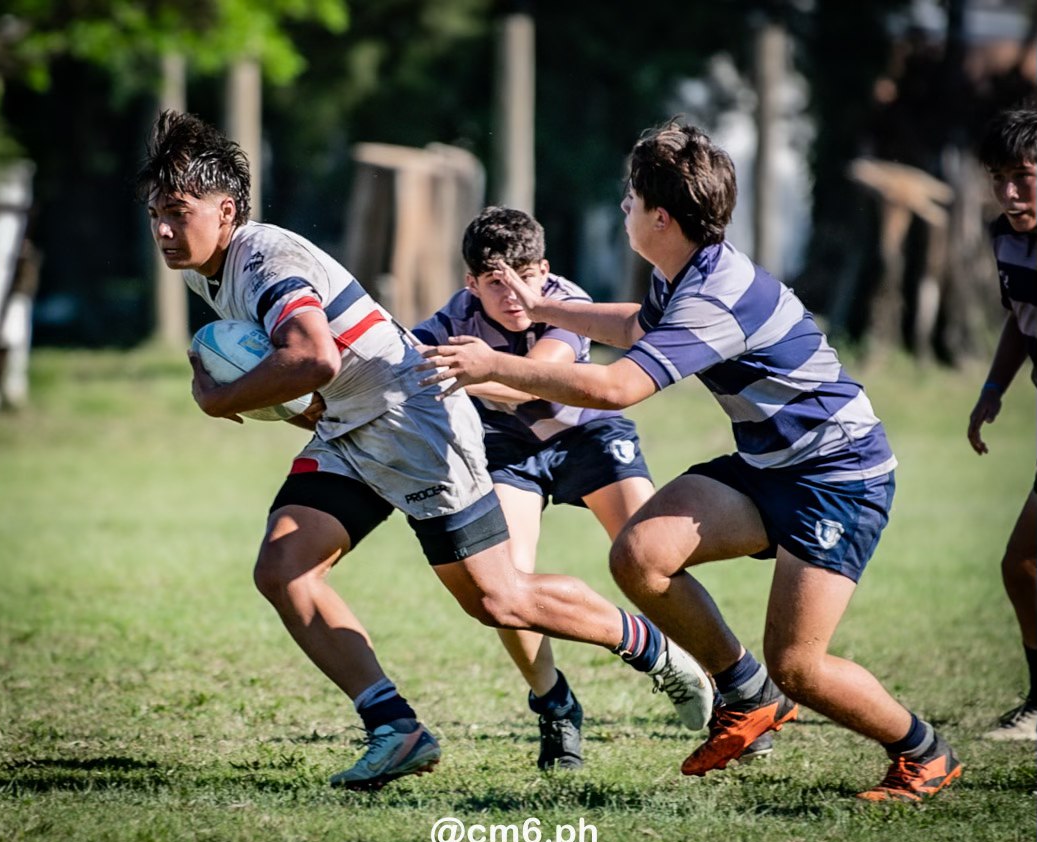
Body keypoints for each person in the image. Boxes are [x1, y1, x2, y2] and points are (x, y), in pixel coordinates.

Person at [135, 110, 714, 790]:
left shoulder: (264, 257)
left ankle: (652, 648)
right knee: (284, 566)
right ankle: (394, 728)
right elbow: (307, 373)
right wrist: (285, 405)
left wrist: (217, 398)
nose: (165, 231)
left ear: (225, 209)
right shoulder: (207, 267)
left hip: (415, 422)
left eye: (178, 212)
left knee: (498, 600)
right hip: (352, 429)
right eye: (156, 215)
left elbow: (311, 357)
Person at [419, 119, 962, 802]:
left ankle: (922, 754)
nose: (622, 208)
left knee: (800, 667)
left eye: (629, 198)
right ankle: (743, 691)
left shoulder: (714, 295)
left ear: (661, 216)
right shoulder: (683, 271)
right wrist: (541, 304)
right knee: (639, 555)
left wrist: (493, 363)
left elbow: (619, 388)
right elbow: (630, 328)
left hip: (837, 476)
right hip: (770, 465)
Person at [413, 205, 770, 769]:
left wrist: (465, 374)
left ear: (545, 270)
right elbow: (406, 370)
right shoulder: (451, 319)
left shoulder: (568, 303)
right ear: (470, 283)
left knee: (655, 559)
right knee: (507, 588)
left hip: (590, 438)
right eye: (495, 284)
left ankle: (736, 692)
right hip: (506, 450)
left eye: (526, 278)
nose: (513, 296)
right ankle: (556, 706)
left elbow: (539, 383)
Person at [967, 107, 1037, 742]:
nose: (1010, 194)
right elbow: (1020, 316)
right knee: (1023, 567)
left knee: (1024, 563)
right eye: (998, 178)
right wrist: (993, 389)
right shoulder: (1006, 237)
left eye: (1024, 175)